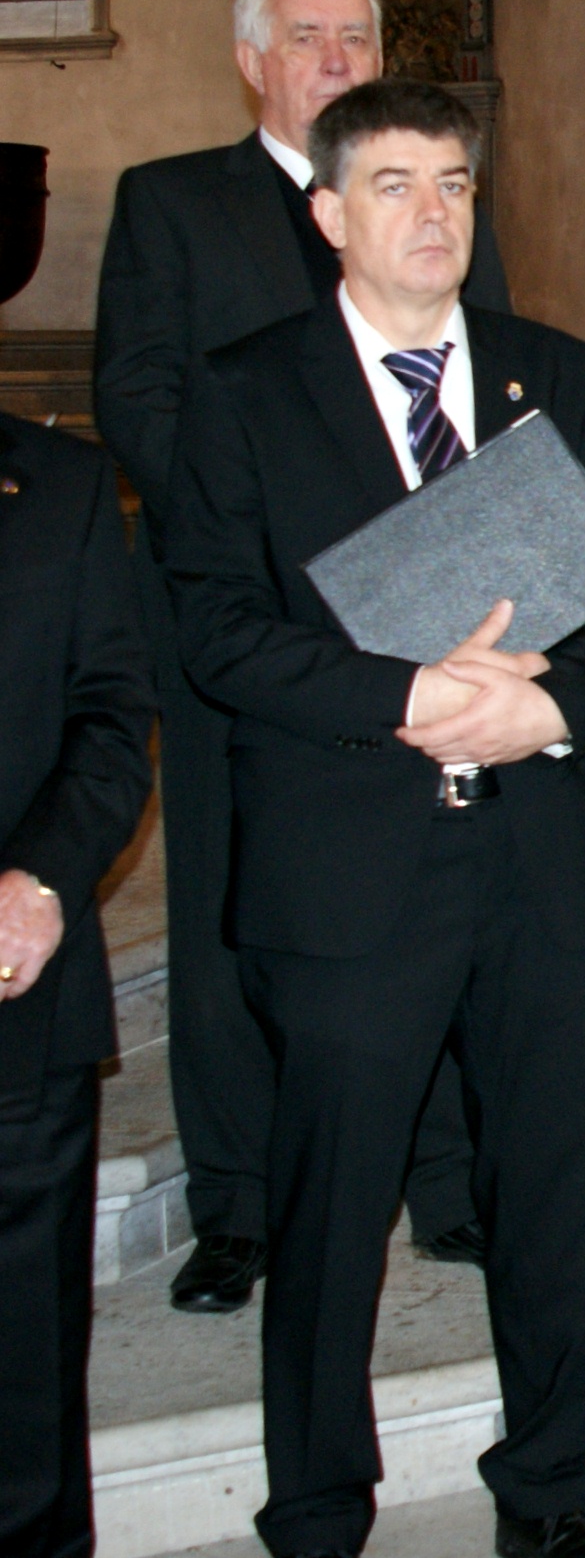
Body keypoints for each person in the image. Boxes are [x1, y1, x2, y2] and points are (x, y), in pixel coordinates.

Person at [163, 79, 585, 1558]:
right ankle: (318, 1510)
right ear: (326, 213)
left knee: (546, 1196)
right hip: (348, 869)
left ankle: (549, 1494)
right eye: (393, 184)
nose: (432, 211)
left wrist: (547, 709)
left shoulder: (552, 373)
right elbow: (213, 628)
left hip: (532, 857)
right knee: (331, 1212)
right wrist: (407, 694)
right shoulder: (246, 388)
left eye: (452, 182)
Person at [94, 0, 507, 1313]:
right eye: (309, 38)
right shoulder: (173, 204)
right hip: (244, 634)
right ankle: (240, 1202)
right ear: (251, 61)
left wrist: (428, 578)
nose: (337, 60)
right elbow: (138, 398)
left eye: (357, 38)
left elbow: (484, 387)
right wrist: (284, 563)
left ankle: (445, 1176)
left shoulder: (438, 203)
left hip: (422, 629)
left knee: (435, 894)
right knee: (230, 912)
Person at [0, 414, 156, 1558]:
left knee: (24, 1377)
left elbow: (111, 713)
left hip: (16, 993)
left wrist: (42, 877)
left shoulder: (59, 481)